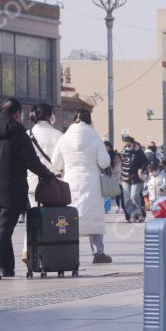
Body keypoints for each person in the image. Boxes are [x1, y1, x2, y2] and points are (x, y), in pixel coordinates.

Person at [0, 99, 55, 280]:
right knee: (5, 229)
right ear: (17, 114)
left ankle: (7, 268)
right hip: (12, 189)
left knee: (2, 229)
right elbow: (31, 162)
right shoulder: (19, 134)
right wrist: (48, 175)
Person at [51, 109, 112, 263]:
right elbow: (104, 162)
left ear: (74, 119)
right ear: (89, 120)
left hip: (71, 180)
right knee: (94, 216)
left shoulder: (64, 138)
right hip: (91, 181)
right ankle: (99, 253)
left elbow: (56, 163)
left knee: (71, 217)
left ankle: (69, 252)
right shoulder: (95, 136)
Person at [23, 104, 63, 262]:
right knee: (52, 217)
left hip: (32, 182)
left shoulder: (27, 134)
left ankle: (27, 249)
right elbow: (61, 162)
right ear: (50, 115)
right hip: (53, 182)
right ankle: (49, 251)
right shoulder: (58, 135)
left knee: (33, 215)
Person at [120, 136, 148, 222]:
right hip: (125, 177)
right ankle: (131, 215)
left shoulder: (138, 151)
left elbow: (145, 161)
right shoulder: (123, 151)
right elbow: (122, 163)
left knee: (134, 196)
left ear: (130, 142)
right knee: (127, 198)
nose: (124, 144)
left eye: (125, 142)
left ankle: (140, 213)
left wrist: (141, 169)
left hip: (136, 177)